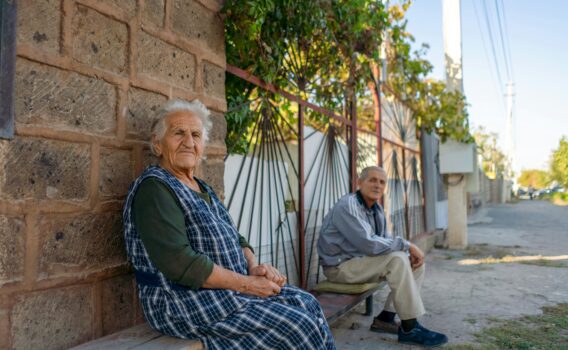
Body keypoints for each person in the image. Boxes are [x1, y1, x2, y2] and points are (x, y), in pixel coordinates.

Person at [122, 99, 335, 350]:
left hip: (228, 292)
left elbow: (237, 238)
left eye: (196, 135)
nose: (189, 142)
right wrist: (247, 284)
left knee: (307, 303)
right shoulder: (155, 188)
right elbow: (180, 263)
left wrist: (254, 267)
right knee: (298, 327)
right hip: (183, 301)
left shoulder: (203, 189)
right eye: (178, 133)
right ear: (157, 144)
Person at [317, 166, 448, 347]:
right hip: (340, 268)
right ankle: (410, 328)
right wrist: (408, 245)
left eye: (382, 181)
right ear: (359, 182)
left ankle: (386, 318)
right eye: (372, 180)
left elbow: (385, 241)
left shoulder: (376, 209)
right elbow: (369, 244)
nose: (377, 185)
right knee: (398, 259)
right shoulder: (348, 206)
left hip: (361, 263)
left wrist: (406, 250)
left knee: (411, 262)